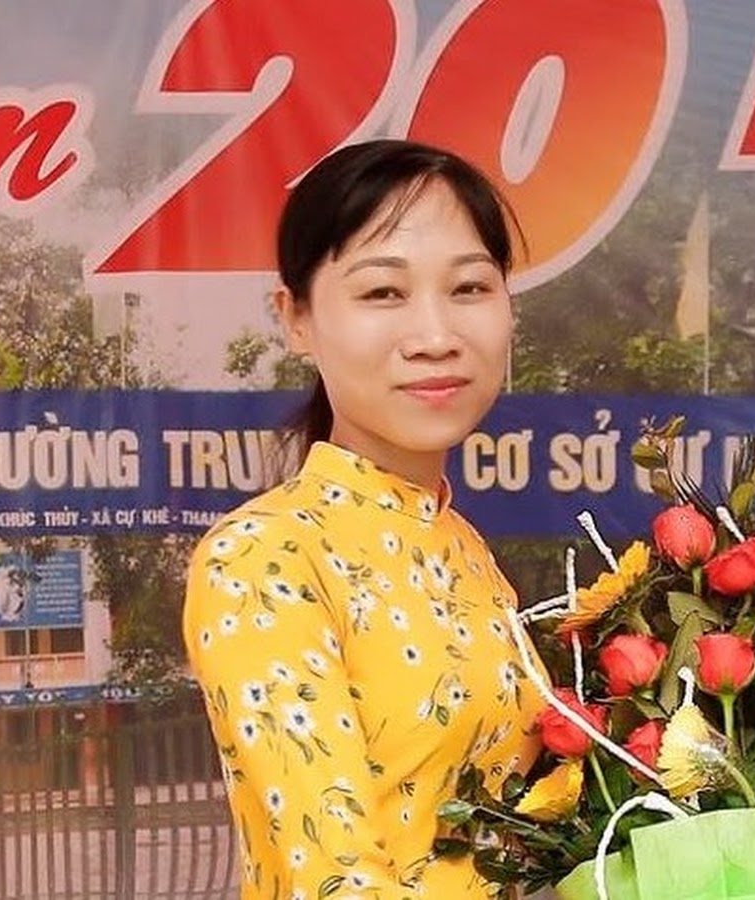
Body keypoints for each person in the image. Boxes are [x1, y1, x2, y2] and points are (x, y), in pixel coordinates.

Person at [183, 139, 549, 900]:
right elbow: (334, 877)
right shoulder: (261, 558)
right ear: (296, 318)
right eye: (383, 292)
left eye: (470, 287)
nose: (436, 337)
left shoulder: (466, 550)